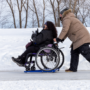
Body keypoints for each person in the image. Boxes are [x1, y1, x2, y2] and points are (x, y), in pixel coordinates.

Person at [54, 7, 90, 72]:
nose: (59, 16)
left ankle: (73, 68)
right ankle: (73, 69)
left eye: (60, 15)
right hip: (78, 39)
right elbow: (67, 32)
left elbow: (65, 30)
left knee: (86, 53)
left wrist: (59, 38)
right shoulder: (69, 18)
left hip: (81, 38)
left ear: (63, 14)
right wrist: (62, 39)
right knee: (74, 52)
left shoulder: (66, 19)